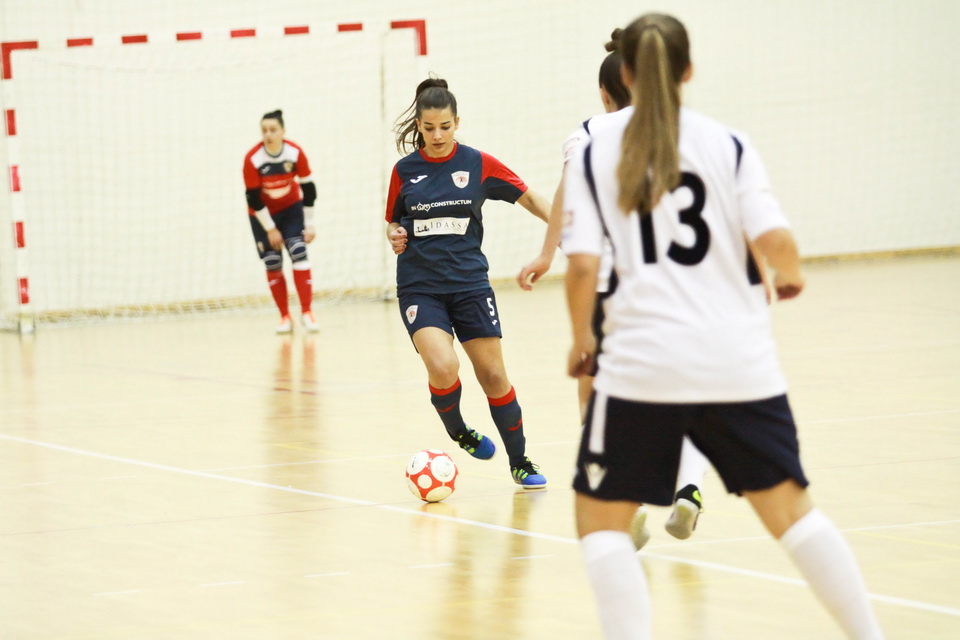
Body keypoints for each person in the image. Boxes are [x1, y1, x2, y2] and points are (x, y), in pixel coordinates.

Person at [563, 14, 884, 640]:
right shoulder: (728, 143)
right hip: (737, 362)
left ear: (623, 74)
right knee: (794, 514)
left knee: (601, 526)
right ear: (687, 71)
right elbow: (776, 243)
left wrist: (581, 341)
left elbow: (582, 267)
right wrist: (786, 274)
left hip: (642, 365)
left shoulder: (594, 148)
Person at [517, 44, 710, 547]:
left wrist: (544, 253)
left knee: (604, 398)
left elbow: (565, 196)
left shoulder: (587, 134)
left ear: (605, 94)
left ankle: (630, 501)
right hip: (675, 283)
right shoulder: (682, 130)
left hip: (610, 284)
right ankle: (688, 490)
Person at [385, 78, 552, 489]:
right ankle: (458, 430)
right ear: (419, 127)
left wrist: (563, 229)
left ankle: (520, 462)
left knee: (493, 376)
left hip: (470, 286)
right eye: (428, 128)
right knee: (443, 366)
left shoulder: (478, 163)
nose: (437, 135)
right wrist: (392, 233)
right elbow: (392, 220)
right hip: (420, 287)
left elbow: (529, 196)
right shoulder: (405, 171)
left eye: (445, 126)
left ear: (457, 122)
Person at [243, 109, 319, 334]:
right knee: (272, 261)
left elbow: (309, 189)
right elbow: (254, 199)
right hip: (262, 215)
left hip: (290, 209)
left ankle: (307, 312)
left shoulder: (295, 153)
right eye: (264, 130)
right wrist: (270, 229)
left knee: (298, 251)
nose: (268, 134)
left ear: (283, 131)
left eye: (273, 129)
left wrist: (310, 223)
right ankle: (285, 317)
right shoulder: (253, 159)